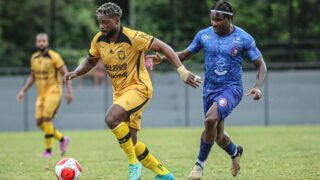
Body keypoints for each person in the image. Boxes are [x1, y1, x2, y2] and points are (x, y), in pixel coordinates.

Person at [62, 2, 201, 180]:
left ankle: (134, 164)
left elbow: (165, 47)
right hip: (120, 93)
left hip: (139, 89)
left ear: (117, 21)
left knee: (111, 118)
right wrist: (75, 72)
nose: (102, 26)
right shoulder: (98, 39)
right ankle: (164, 174)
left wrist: (182, 71)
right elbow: (90, 61)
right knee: (132, 142)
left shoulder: (134, 37)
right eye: (100, 22)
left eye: (106, 22)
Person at [148, 1, 267, 179]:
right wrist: (163, 59)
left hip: (231, 89)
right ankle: (235, 152)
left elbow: (261, 65)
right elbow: (185, 55)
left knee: (210, 120)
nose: (214, 23)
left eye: (219, 20)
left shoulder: (243, 38)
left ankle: (198, 166)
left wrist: (257, 87)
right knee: (217, 135)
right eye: (212, 19)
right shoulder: (204, 35)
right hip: (209, 89)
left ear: (229, 18)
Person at [16, 33, 73, 158]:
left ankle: (48, 151)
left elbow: (66, 74)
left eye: (44, 41)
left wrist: (69, 92)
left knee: (47, 120)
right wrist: (23, 91)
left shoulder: (54, 57)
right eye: (39, 41)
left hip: (54, 92)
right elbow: (32, 77)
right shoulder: (34, 58)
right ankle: (62, 139)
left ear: (47, 42)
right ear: (36, 43)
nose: (41, 43)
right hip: (41, 94)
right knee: (39, 123)